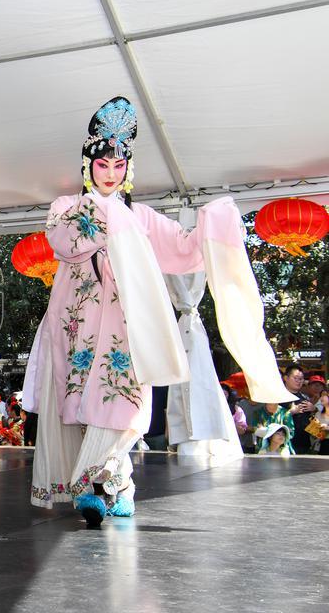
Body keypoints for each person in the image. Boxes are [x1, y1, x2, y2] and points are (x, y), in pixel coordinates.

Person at [22, 96, 295, 528]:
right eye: (102, 164)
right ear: (88, 167)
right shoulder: (67, 208)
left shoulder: (143, 217)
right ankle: (114, 485)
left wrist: (213, 220)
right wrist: (110, 212)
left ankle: (99, 484)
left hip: (128, 329)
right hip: (76, 327)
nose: (110, 173)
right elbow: (65, 241)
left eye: (118, 165)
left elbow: (184, 251)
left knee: (121, 406)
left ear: (128, 169)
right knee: (81, 409)